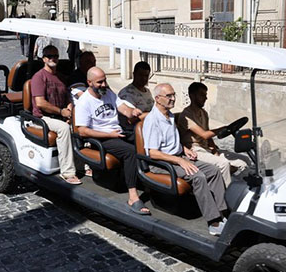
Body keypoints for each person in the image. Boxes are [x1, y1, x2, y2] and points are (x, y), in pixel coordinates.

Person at [143, 83, 227, 236]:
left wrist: (184, 149)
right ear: (157, 98)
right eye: (169, 96)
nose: (173, 98)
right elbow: (153, 153)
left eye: (173, 95)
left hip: (177, 156)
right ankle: (213, 222)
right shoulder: (152, 120)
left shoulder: (169, 116)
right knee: (198, 176)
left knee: (214, 170)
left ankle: (223, 212)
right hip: (162, 163)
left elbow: (171, 142)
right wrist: (180, 161)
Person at [74, 67, 150, 215]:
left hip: (117, 132)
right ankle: (133, 196)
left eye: (105, 80)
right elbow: (82, 131)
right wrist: (109, 134)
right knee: (130, 152)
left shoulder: (108, 93)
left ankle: (148, 181)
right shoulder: (84, 102)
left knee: (146, 141)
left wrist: (132, 112)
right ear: (89, 82)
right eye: (99, 82)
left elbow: (122, 107)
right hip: (100, 138)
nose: (103, 84)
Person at [178, 82, 248, 187]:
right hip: (194, 151)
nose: (205, 98)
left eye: (205, 95)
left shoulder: (203, 113)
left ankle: (242, 189)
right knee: (223, 164)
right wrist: (223, 128)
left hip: (206, 148)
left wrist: (215, 151)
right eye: (202, 95)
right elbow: (205, 135)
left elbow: (209, 136)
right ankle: (227, 194)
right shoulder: (186, 115)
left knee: (244, 160)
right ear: (192, 96)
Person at [30, 45, 81, 185]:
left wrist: (69, 107)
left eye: (56, 56)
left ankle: (83, 164)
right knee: (64, 129)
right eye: (49, 56)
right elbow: (40, 103)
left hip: (59, 115)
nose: (53, 59)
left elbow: (67, 97)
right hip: (42, 117)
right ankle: (68, 172)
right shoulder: (39, 77)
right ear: (44, 59)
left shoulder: (60, 77)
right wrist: (61, 112)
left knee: (81, 124)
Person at [118, 61, 154, 133]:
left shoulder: (147, 91)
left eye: (146, 76)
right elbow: (131, 120)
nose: (143, 78)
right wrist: (155, 114)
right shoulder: (126, 93)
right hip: (135, 132)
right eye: (140, 75)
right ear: (134, 74)